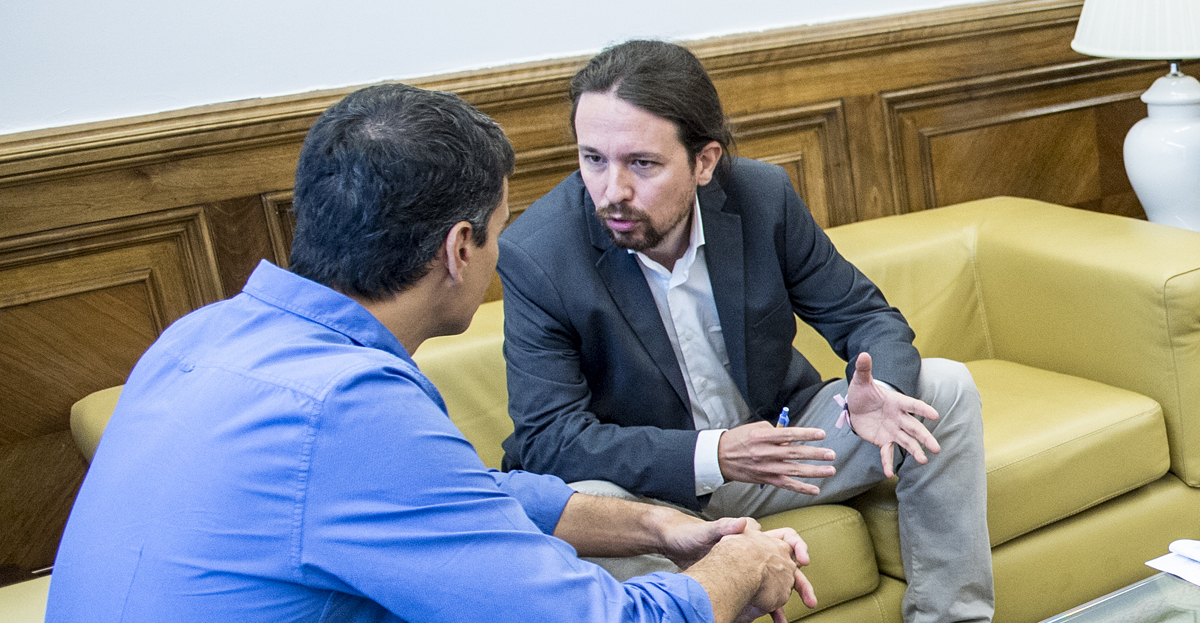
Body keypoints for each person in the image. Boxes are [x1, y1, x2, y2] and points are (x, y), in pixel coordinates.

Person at [44, 83, 818, 623]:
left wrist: (655, 525)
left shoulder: (198, 334)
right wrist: (738, 568)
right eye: (500, 226)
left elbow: (459, 499)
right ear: (459, 248)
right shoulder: (350, 408)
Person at [498, 40, 994, 623]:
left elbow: (864, 316)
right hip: (651, 489)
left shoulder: (761, 196)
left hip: (780, 448)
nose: (612, 191)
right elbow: (548, 438)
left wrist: (876, 388)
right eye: (593, 159)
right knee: (585, 513)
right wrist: (715, 454)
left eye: (642, 163)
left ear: (705, 162)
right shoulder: (538, 254)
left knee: (943, 389)